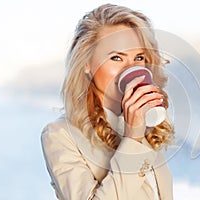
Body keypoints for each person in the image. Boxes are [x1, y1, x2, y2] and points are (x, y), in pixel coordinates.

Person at [41, 3, 174, 200]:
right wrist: (133, 138)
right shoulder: (60, 135)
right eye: (116, 58)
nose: (130, 69)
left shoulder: (146, 123)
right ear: (87, 64)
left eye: (139, 57)